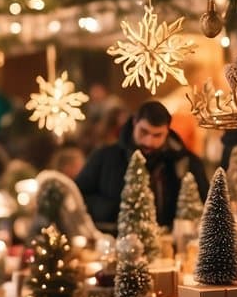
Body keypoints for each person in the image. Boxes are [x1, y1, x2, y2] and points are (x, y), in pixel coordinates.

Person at [74, 100, 207, 234]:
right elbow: (77, 196)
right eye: (143, 132)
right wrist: (113, 209)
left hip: (170, 245)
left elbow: (206, 204)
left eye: (157, 135)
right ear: (134, 123)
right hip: (116, 242)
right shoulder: (104, 157)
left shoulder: (187, 162)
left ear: (167, 131)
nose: (149, 141)